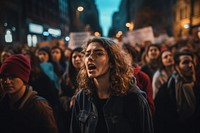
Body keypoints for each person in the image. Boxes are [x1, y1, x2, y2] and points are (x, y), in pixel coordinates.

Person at [70, 37, 153, 133]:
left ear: (112, 62)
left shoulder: (134, 98)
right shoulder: (81, 98)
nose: (90, 58)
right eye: (87, 54)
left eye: (99, 53)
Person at [0, 54, 58, 133]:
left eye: (12, 76)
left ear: (23, 77)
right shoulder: (4, 102)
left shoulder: (39, 106)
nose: (7, 81)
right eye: (3, 77)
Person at [154, 51, 200, 133]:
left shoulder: (196, 86)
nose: (190, 65)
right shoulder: (167, 89)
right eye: (185, 62)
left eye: (192, 62)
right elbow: (161, 117)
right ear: (177, 66)